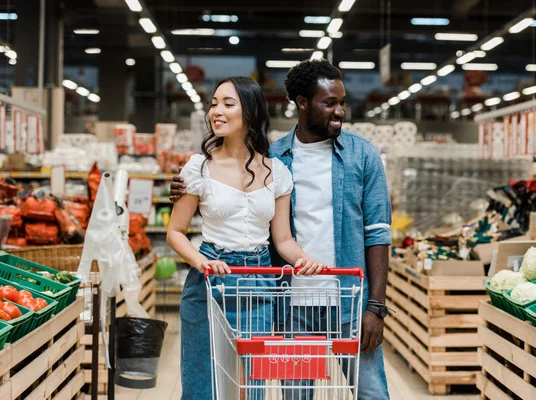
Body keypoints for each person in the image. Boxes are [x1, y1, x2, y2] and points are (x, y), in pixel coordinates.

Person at [171, 60, 392, 399]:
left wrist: (375, 306)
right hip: (289, 304)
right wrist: (185, 189)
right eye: (329, 102)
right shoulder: (278, 157)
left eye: (342, 102)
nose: (340, 111)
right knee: (287, 393)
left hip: (345, 300)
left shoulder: (360, 155)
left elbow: (376, 233)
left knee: (371, 392)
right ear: (302, 103)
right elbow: (205, 214)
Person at [166, 76, 326, 400]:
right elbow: (175, 231)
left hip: (259, 282)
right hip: (210, 281)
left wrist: (304, 259)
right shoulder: (198, 167)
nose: (216, 112)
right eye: (214, 104)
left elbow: (282, 239)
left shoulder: (277, 171)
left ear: (250, 111)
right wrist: (202, 261)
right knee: (201, 382)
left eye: (228, 104)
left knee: (250, 385)